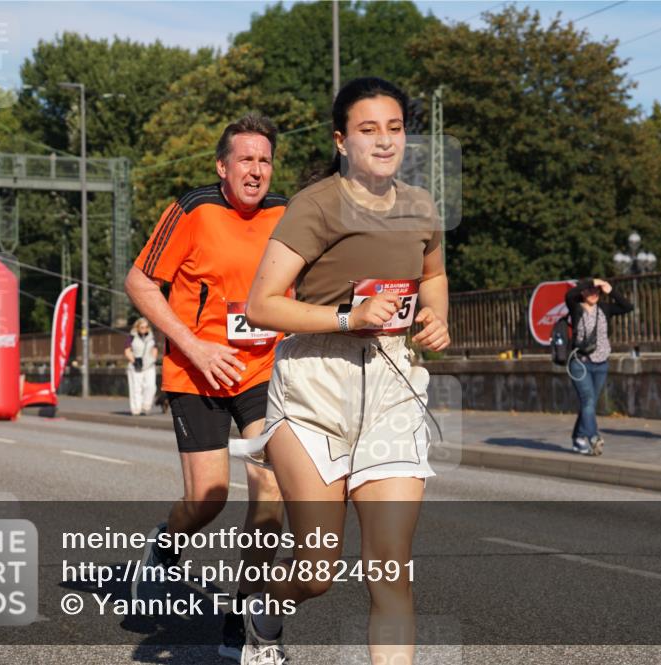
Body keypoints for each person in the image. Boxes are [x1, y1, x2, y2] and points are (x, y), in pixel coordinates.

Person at [240, 77, 450, 665]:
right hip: (315, 387)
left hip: (392, 386)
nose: (384, 141)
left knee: (390, 572)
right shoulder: (317, 206)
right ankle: (267, 608)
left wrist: (435, 318)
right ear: (341, 140)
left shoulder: (421, 206)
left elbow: (431, 276)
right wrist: (346, 316)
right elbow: (263, 304)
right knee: (318, 566)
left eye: (395, 128)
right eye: (367, 130)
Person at [123, 113, 287, 661]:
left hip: (264, 370)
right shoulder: (193, 209)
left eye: (265, 160)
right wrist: (192, 346)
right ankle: (165, 544)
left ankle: (243, 625)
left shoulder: (287, 214)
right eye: (246, 159)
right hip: (197, 373)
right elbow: (140, 281)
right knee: (208, 499)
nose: (257, 170)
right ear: (223, 166)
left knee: (271, 494)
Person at [564, 278, 633, 456]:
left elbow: (628, 307)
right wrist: (590, 281)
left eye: (596, 291)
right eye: (589, 290)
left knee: (590, 403)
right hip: (580, 363)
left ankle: (578, 438)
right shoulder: (575, 307)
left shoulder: (604, 308)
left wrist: (611, 291)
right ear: (582, 292)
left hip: (601, 363)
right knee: (587, 400)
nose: (594, 294)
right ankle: (593, 437)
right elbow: (569, 294)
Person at [124, 317, 158, 416]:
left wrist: (153, 359)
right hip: (136, 365)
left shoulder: (151, 337)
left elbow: (154, 348)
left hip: (149, 365)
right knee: (136, 388)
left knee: (151, 386)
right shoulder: (132, 337)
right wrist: (134, 360)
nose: (144, 329)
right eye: (142, 327)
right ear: (137, 327)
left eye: (146, 327)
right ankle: (136, 409)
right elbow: (127, 350)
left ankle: (146, 405)